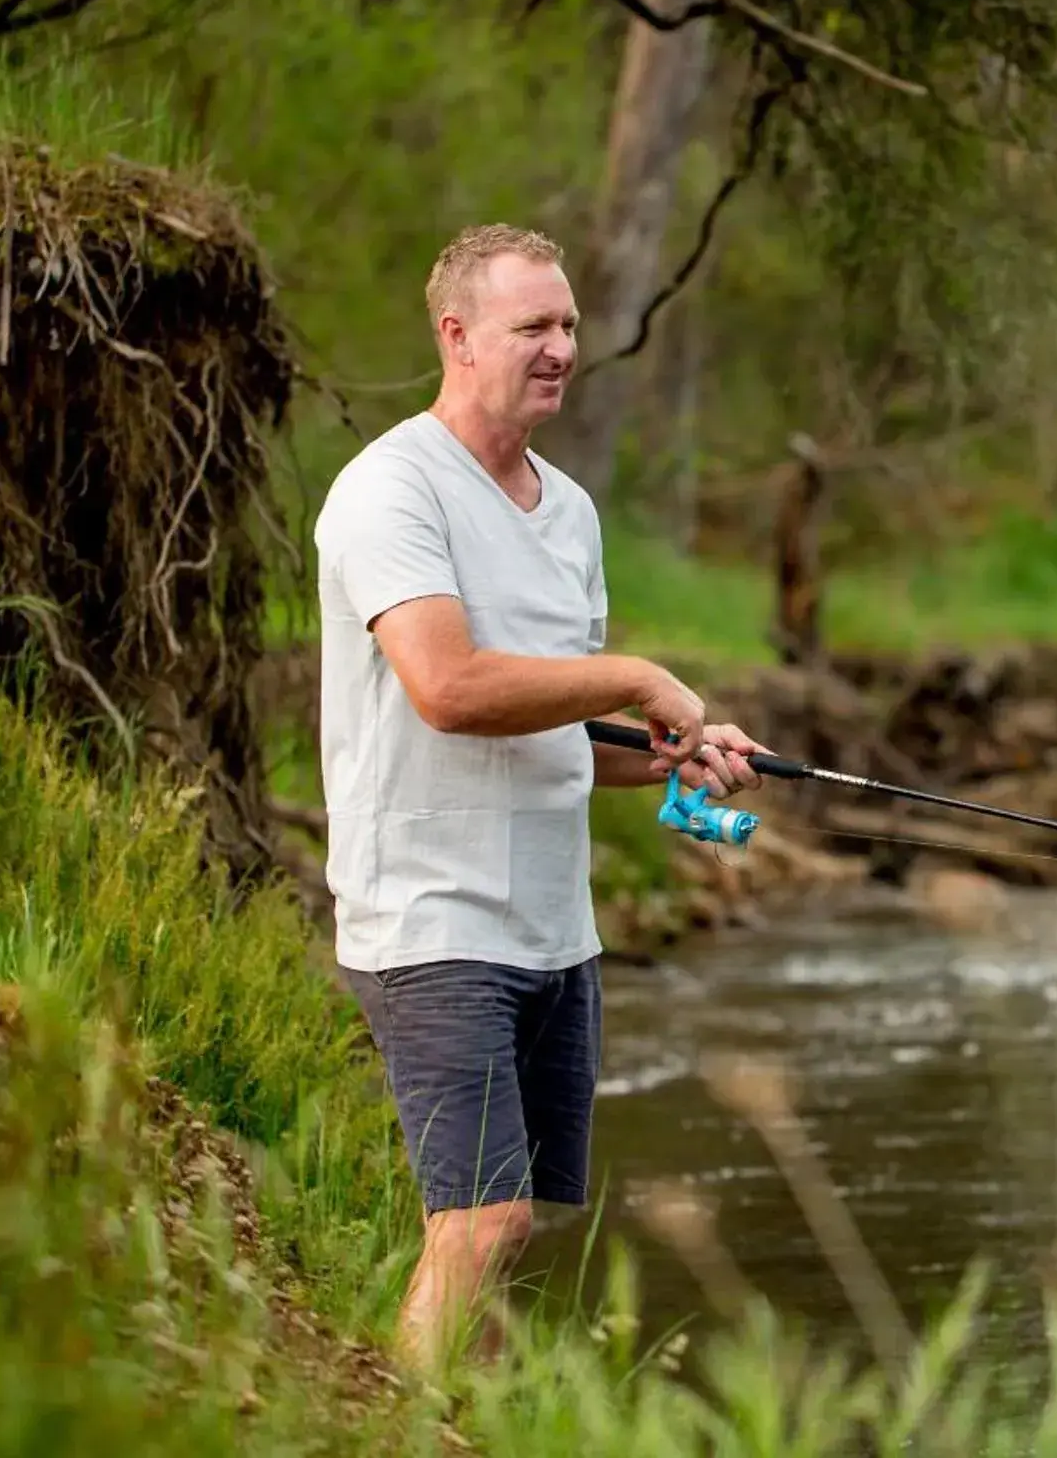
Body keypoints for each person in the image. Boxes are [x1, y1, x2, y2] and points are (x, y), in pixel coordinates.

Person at [314, 223, 765, 1373]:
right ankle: (391, 1431)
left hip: (553, 927)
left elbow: (554, 722)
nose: (562, 346)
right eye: (534, 327)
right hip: (428, 916)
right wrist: (636, 675)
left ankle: (437, 1405)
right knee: (480, 1217)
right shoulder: (389, 488)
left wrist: (669, 747)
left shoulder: (567, 509)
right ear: (455, 336)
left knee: (509, 1223)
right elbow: (451, 688)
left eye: (568, 323)